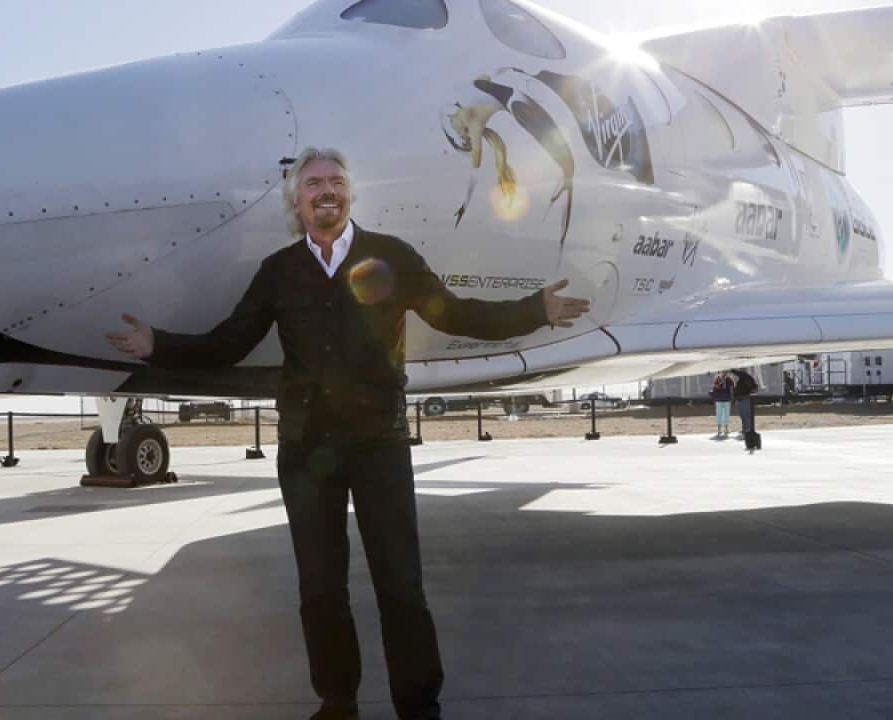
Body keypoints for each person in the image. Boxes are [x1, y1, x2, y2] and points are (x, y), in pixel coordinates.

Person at [107, 147, 590, 720]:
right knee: (320, 590)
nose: (325, 190)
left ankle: (418, 706)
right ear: (297, 199)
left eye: (335, 180)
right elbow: (229, 341)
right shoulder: (279, 272)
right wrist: (160, 344)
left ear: (350, 194)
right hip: (307, 452)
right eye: (313, 183)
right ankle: (338, 702)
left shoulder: (391, 256)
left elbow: (456, 315)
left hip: (379, 445)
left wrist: (536, 309)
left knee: (401, 587)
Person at [731, 368, 758, 439]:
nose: (740, 370)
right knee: (742, 416)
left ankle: (747, 431)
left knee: (746, 416)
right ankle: (744, 430)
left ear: (744, 370)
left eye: (741, 369)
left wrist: (731, 369)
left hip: (745, 399)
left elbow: (738, 373)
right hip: (740, 399)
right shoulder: (742, 378)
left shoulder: (745, 376)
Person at [709, 371, 734, 439]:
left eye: (725, 372)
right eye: (723, 372)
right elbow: (714, 387)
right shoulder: (718, 379)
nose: (724, 373)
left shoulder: (728, 379)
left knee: (726, 414)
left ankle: (726, 428)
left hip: (725, 399)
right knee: (719, 414)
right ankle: (719, 429)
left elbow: (732, 387)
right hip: (720, 400)